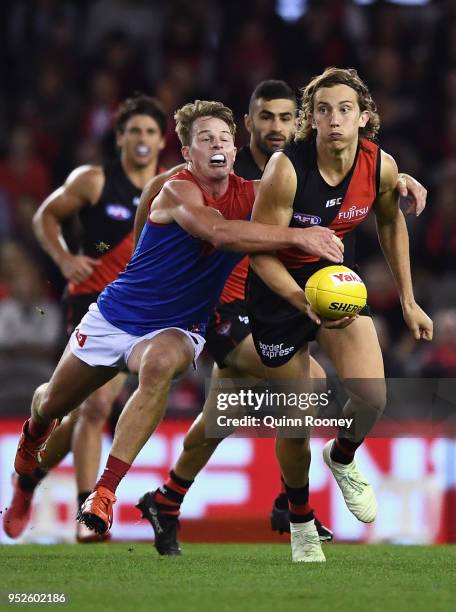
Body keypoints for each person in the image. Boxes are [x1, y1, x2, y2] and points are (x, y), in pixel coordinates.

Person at [10, 100, 344, 542]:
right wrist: (297, 235)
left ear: (236, 145)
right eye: (205, 139)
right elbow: (218, 233)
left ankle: (104, 494)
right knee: (51, 403)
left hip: (179, 327)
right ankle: (31, 450)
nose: (217, 145)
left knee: (160, 366)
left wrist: (391, 181)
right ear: (187, 152)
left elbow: (313, 190)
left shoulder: (251, 193)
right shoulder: (177, 189)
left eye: (224, 138)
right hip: (116, 318)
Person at [134, 81, 428, 556]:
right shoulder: (222, 161)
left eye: (286, 118)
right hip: (230, 307)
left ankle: (168, 500)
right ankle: (295, 509)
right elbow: (158, 199)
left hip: (303, 293)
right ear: (246, 124)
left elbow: (365, 176)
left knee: (224, 412)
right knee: (303, 390)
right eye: (266, 117)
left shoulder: (312, 155)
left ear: (300, 122)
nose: (277, 126)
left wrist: (398, 179)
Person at [245, 67, 433, 562]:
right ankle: (301, 518)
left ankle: (343, 455)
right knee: (296, 419)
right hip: (279, 293)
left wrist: (409, 299)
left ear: (364, 117)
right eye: (323, 110)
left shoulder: (380, 166)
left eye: (345, 109)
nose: (334, 119)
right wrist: (297, 300)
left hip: (336, 285)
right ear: (311, 118)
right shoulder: (287, 169)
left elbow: (392, 224)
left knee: (372, 395)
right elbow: (258, 250)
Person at [3, 94, 167, 542]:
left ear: (162, 140)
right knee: (78, 408)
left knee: (87, 411)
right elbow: (46, 215)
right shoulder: (95, 180)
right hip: (91, 302)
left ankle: (44, 491)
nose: (142, 139)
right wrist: (63, 259)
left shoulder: (172, 189)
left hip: (138, 311)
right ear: (119, 138)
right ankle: (47, 491)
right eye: (134, 130)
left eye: (150, 131)